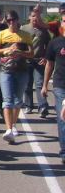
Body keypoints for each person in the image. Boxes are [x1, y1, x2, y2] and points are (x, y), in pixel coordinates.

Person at [0, 10, 34, 143]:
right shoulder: (2, 34)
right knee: (7, 100)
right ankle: (9, 129)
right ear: (6, 21)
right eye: (9, 20)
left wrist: (20, 51)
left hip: (21, 70)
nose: (12, 23)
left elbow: (31, 53)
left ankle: (14, 124)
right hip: (6, 70)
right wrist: (7, 49)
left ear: (17, 20)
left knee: (17, 101)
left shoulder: (25, 35)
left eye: (13, 20)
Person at [41, 25, 65, 165]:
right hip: (60, 85)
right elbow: (49, 64)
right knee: (63, 118)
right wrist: (45, 85)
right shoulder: (55, 42)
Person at [21, 10, 51, 117]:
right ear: (29, 16)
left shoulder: (43, 30)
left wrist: (46, 57)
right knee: (27, 84)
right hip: (26, 60)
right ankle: (28, 105)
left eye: (37, 16)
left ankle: (42, 106)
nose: (35, 18)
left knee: (39, 84)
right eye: (33, 16)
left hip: (39, 60)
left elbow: (49, 45)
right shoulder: (24, 29)